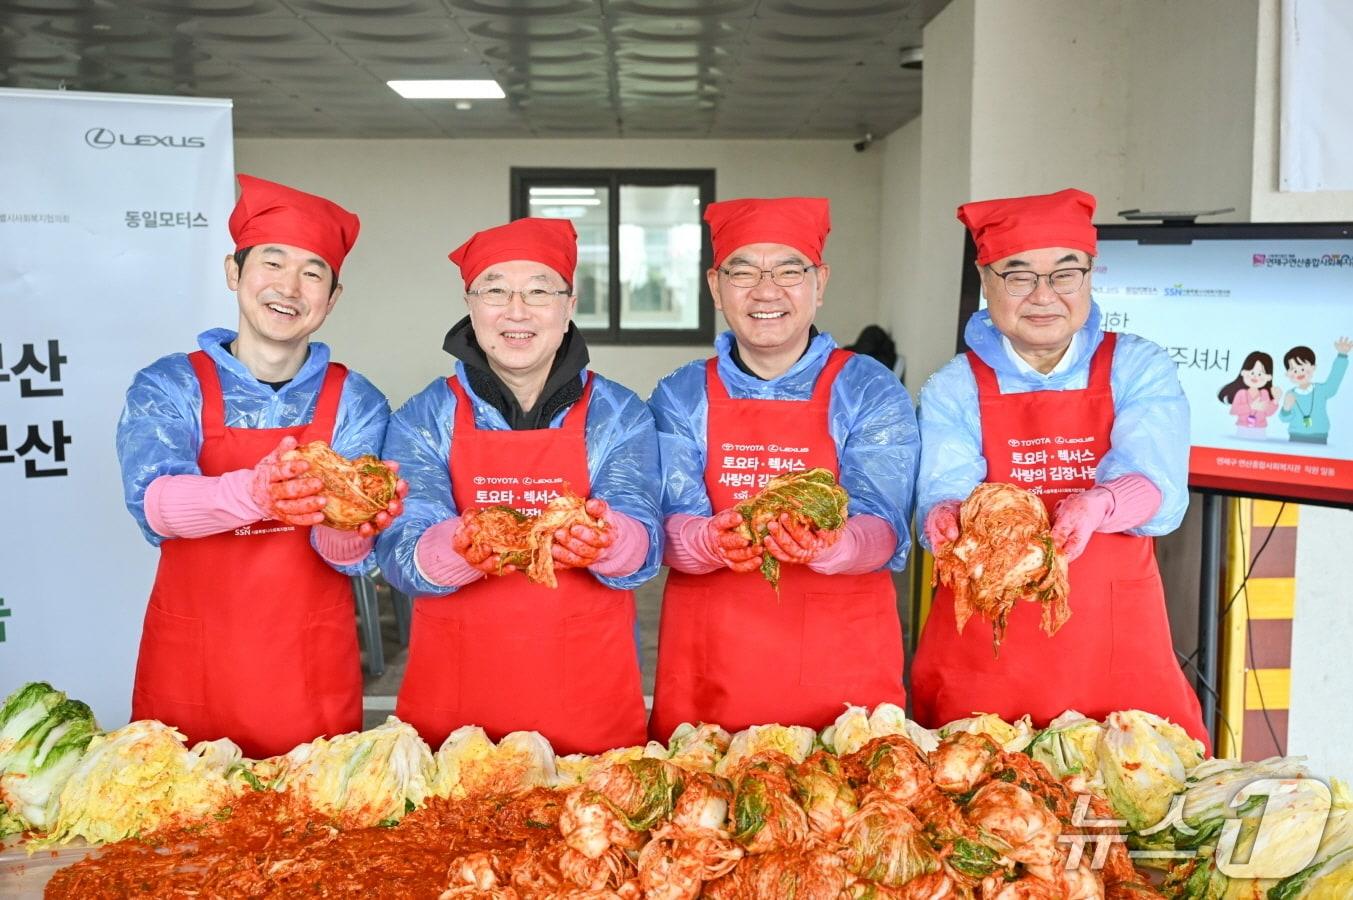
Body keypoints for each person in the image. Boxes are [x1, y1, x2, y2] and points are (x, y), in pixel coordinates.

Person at [911, 187, 1210, 749]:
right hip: (986, 654)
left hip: (1113, 647)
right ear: (987, 280)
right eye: (1018, 275)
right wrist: (945, 517)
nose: (1043, 296)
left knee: (1127, 802)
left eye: (1064, 274)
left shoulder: (1136, 365)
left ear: (1089, 277)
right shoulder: (953, 385)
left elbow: (1161, 492)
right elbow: (944, 491)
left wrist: (1101, 503)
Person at [117, 175, 404, 758]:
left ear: (333, 297)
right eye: (272, 263)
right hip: (192, 663)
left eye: (313, 272)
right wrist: (257, 492)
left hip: (306, 666)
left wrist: (353, 525)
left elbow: (341, 554)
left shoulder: (356, 400)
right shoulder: (171, 385)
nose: (289, 288)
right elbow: (157, 505)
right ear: (234, 273)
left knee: (306, 835)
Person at [375, 217, 661, 755]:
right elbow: (399, 553)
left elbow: (645, 535)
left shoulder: (617, 413)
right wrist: (460, 548)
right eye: (496, 290)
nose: (517, 310)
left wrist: (609, 540)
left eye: (538, 290)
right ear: (470, 302)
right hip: (456, 711)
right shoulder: (424, 416)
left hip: (589, 703)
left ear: (569, 305)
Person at [647, 197, 919, 742]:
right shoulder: (680, 394)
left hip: (840, 667)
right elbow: (663, 531)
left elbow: (885, 527)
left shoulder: (868, 389)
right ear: (715, 286)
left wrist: (835, 545)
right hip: (711, 666)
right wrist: (707, 541)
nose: (766, 291)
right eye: (743, 272)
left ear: (819, 283)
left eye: (789, 271)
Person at [1279, 340, 1351, 444]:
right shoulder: (1290, 394)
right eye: (1294, 370)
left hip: (1319, 437)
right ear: (1288, 374)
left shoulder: (1321, 390)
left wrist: (1342, 356)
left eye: (1303, 368)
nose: (1299, 373)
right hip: (1295, 437)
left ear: (1313, 368)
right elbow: (1284, 419)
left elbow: (1334, 380)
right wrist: (1286, 408)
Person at [1217, 351, 1280, 439]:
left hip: (1260, 430)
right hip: (1242, 429)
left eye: (1260, 374)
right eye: (1252, 372)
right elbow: (1234, 410)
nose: (1255, 377)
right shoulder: (1241, 393)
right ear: (1243, 372)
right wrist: (1251, 406)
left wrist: (1276, 400)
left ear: (1268, 377)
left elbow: (1268, 412)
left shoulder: (1264, 394)